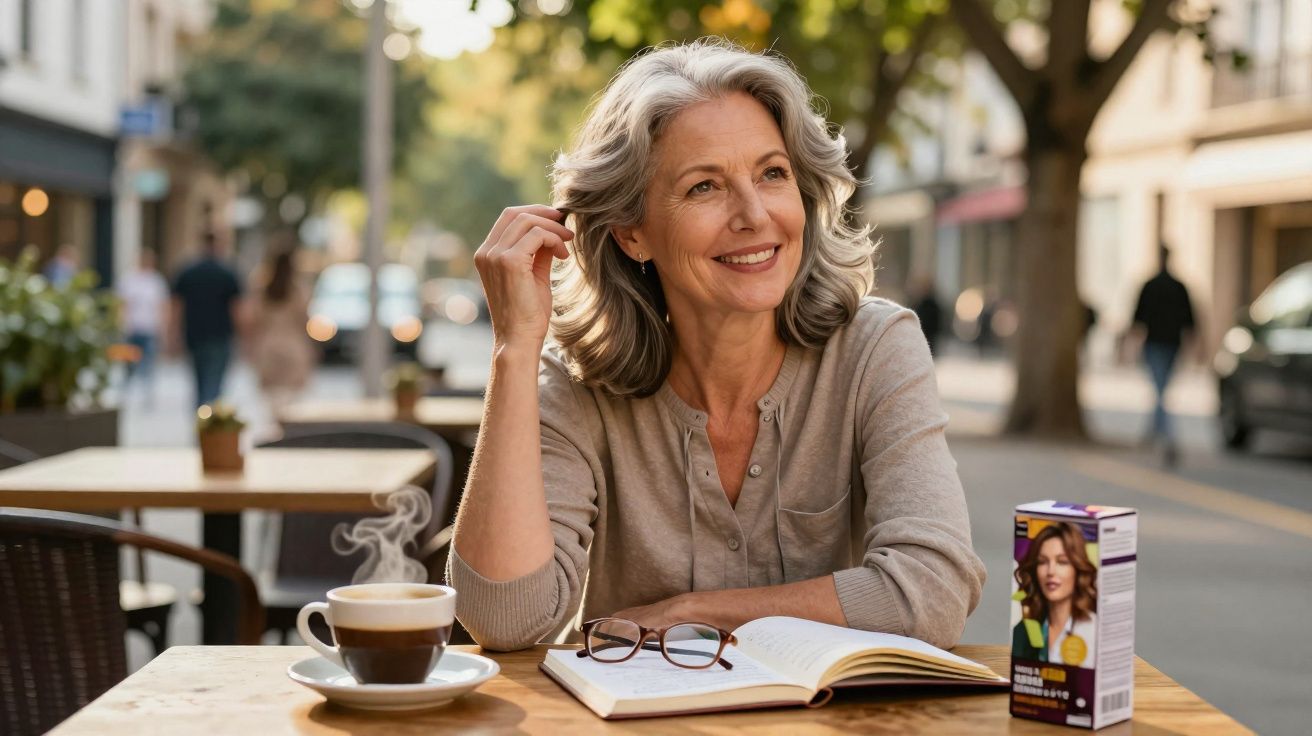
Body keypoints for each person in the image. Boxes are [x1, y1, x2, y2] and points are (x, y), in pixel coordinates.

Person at [449, 39, 985, 653]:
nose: (755, 214)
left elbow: (934, 590)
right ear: (631, 233)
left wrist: (696, 612)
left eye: (772, 174)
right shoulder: (577, 384)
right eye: (705, 187)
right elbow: (505, 618)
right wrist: (514, 348)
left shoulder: (874, 350)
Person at [1130, 244, 1196, 466]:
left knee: (1160, 392)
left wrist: (1127, 347)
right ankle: (1153, 433)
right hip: (1171, 344)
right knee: (1161, 390)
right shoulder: (1179, 287)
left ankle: (1168, 439)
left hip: (1156, 344)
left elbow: (1137, 319)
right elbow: (1190, 321)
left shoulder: (1150, 285)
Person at [170, 231, 244, 408]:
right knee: (214, 385)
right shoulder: (227, 272)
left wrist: (173, 334)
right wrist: (243, 337)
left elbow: (176, 307)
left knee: (200, 383)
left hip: (194, 335)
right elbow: (237, 309)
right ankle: (210, 422)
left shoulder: (188, 271)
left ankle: (203, 420)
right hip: (220, 335)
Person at [1011, 522, 1098, 667]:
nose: (1050, 571)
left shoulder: (1094, 632)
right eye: (1042, 562)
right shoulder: (1022, 632)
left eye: (1062, 562)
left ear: (1077, 569)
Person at [248, 247, 316, 416]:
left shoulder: (263, 289)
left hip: (268, 346)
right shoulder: (298, 290)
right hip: (293, 347)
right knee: (292, 402)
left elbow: (255, 320)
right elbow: (305, 320)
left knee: (273, 402)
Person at [116, 249, 170, 406]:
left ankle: (147, 395)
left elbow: (162, 305)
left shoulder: (156, 281)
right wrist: (122, 323)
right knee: (128, 363)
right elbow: (122, 304)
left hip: (150, 328)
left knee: (149, 362)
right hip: (133, 327)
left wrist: (163, 327)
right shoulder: (129, 279)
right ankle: (125, 392)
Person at [909, 275, 944, 358]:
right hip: (921, 333)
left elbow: (938, 320)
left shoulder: (933, 303)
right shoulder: (918, 301)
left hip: (929, 334)